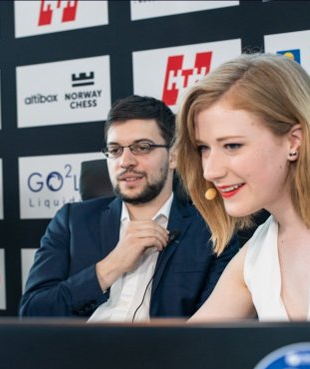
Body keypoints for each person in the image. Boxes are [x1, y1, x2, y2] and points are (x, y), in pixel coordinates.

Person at [173, 53, 310, 322]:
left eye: (232, 146)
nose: (210, 171)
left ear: (293, 141)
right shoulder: (256, 255)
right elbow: (180, 351)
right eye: (204, 148)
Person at [19, 95, 239, 321]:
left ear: (173, 157)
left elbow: (211, 334)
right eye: (115, 150)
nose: (125, 161)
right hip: (77, 353)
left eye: (142, 147)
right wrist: (109, 267)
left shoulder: (212, 230)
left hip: (162, 354)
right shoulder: (72, 221)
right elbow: (32, 312)